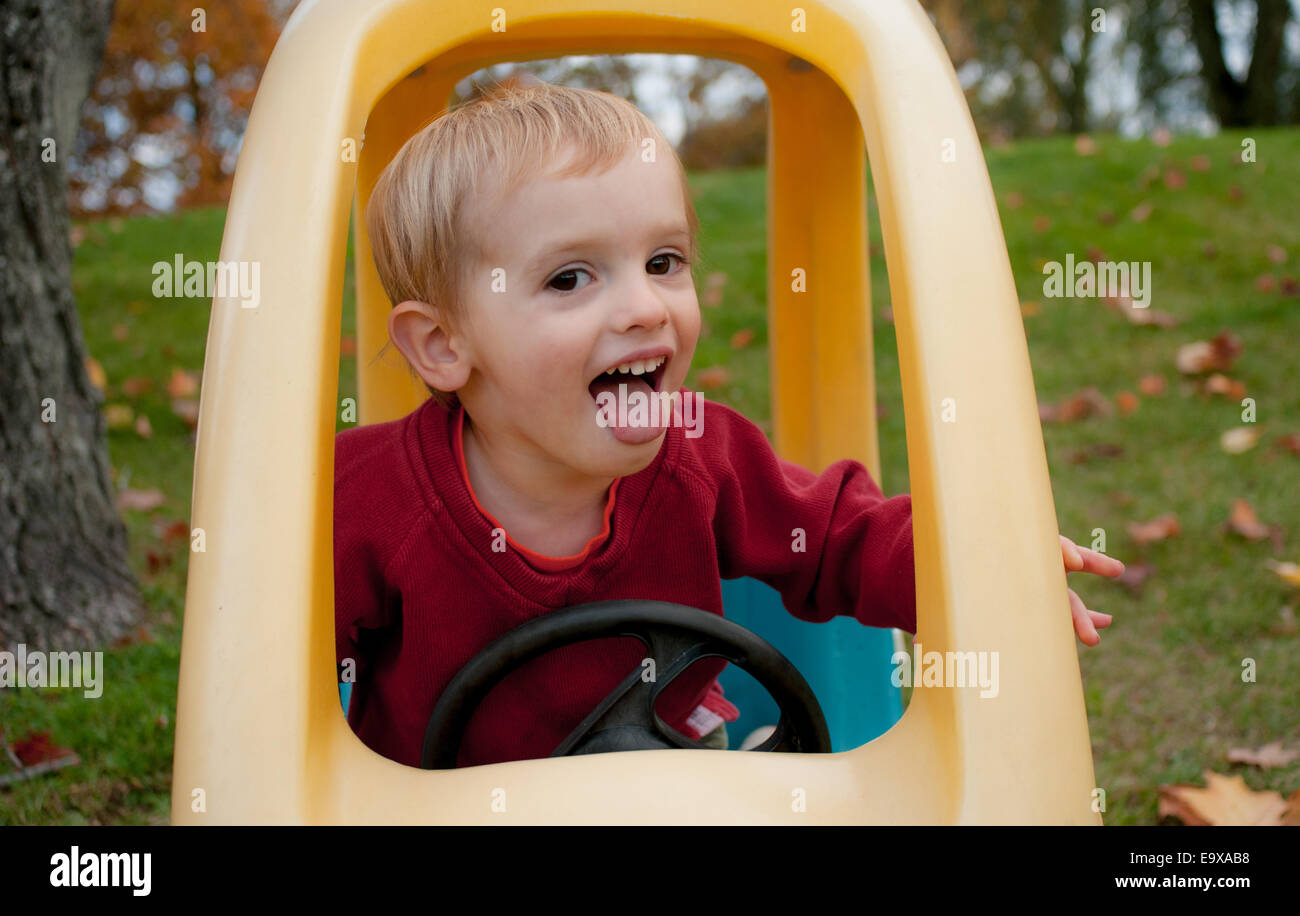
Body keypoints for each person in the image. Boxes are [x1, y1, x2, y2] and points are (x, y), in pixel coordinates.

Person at [334, 81, 1122, 768]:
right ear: (444, 345)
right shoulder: (367, 501)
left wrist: (985, 572)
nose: (645, 307)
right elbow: (269, 669)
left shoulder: (702, 456)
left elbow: (843, 537)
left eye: (665, 262)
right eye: (570, 278)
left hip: (675, 779)